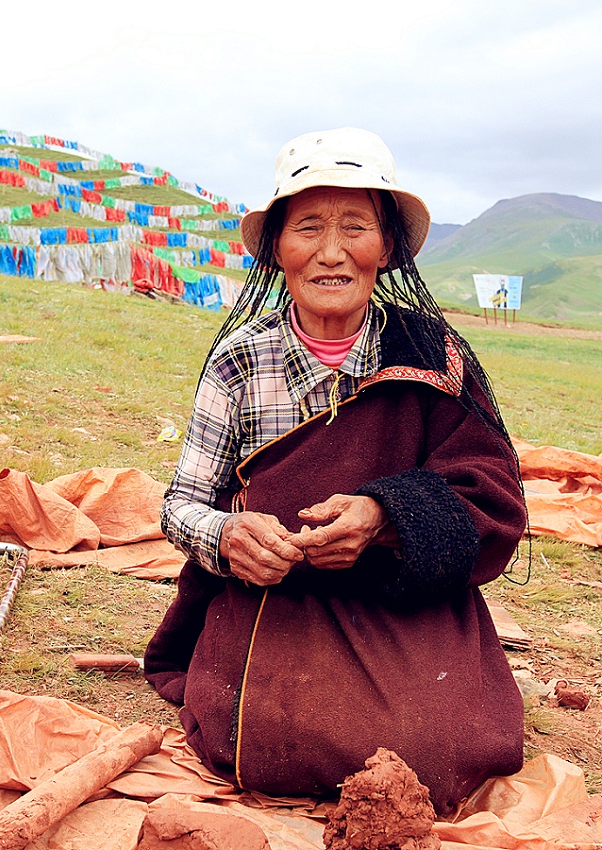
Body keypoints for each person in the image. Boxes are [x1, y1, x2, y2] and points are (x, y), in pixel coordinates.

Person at [144, 128, 528, 816]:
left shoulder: (430, 353)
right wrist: (227, 537)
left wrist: (386, 517)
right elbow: (182, 503)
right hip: (274, 598)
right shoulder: (240, 359)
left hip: (399, 598)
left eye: (354, 227)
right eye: (308, 228)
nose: (330, 252)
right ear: (276, 249)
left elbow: (491, 497)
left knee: (447, 748)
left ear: (385, 249)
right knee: (264, 738)